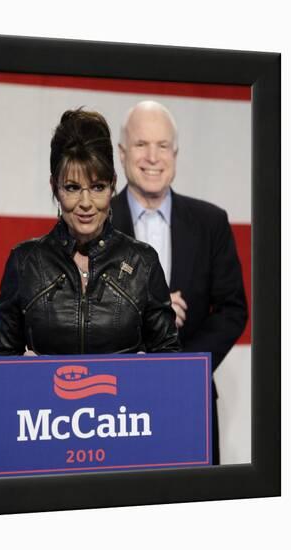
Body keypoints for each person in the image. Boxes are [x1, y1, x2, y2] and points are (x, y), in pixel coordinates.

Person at [111, 100, 248, 462]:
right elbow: (75, 310)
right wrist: (146, 309)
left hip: (191, 400)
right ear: (122, 153)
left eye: (163, 145)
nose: (153, 156)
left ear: (176, 153)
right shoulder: (96, 224)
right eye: (141, 144)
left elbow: (233, 310)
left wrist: (184, 369)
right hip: (112, 405)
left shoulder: (211, 222)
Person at [0, 108, 180, 356]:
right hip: (45, 397)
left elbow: (169, 364)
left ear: (112, 185)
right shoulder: (25, 262)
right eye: (72, 187)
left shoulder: (142, 263)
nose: (86, 202)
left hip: (123, 397)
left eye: (97, 187)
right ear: (54, 187)